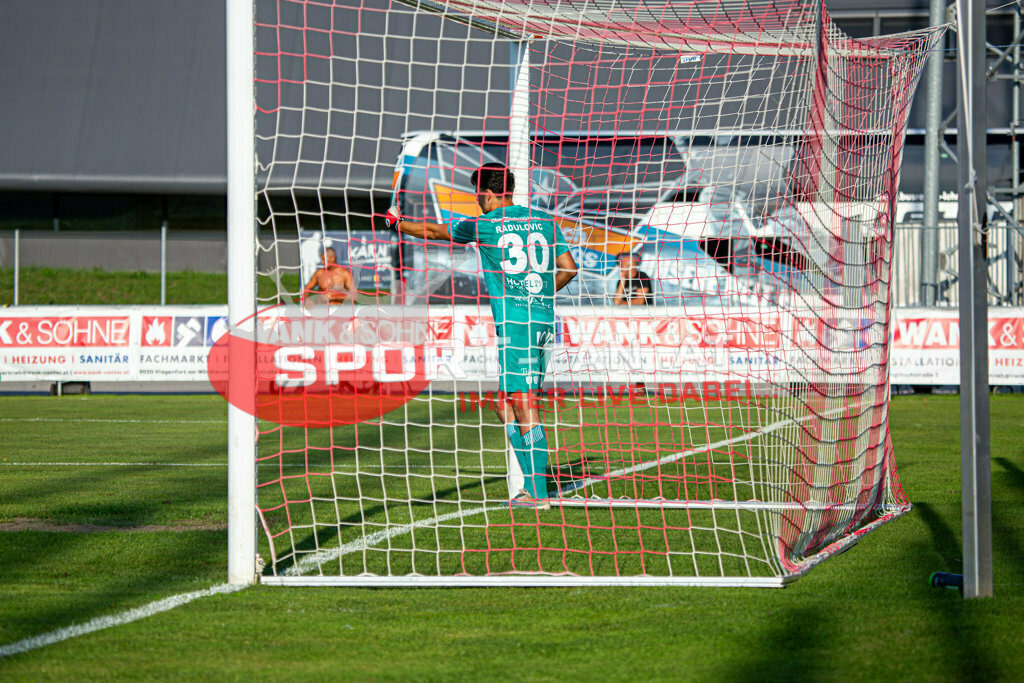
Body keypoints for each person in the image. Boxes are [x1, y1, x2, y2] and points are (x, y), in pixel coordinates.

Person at [385, 162, 578, 509]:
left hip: (517, 326)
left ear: (487, 193)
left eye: (478, 194)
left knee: (521, 401)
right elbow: (570, 268)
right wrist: (540, 293)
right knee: (503, 404)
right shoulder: (545, 220)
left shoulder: (486, 224)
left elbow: (431, 230)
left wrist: (396, 222)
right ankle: (533, 487)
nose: (477, 200)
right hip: (546, 323)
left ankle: (537, 493)